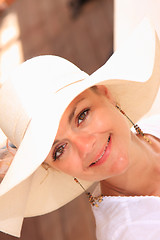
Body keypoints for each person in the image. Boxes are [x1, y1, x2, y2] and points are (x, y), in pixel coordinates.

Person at [0, 18, 160, 239]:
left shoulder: (155, 124)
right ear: (55, 168)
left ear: (106, 94)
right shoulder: (132, 232)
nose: (85, 147)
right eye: (59, 150)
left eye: (81, 116)